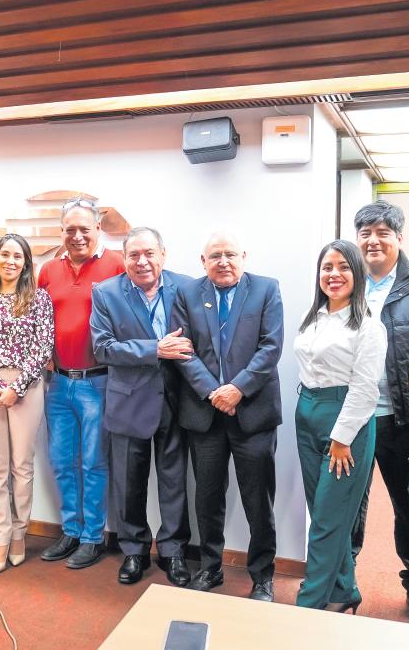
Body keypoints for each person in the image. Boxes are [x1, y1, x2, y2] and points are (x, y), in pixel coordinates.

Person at [172, 232, 283, 600]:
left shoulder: (266, 289)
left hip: (253, 413)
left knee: (258, 499)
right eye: (215, 255)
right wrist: (214, 392)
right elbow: (183, 350)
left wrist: (238, 389)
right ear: (203, 261)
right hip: (205, 414)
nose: (223, 261)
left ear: (243, 256)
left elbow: (271, 347)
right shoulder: (187, 293)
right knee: (207, 497)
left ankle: (262, 576)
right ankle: (210, 567)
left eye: (230, 254)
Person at [90, 227, 193, 587]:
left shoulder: (187, 287)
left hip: (175, 401)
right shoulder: (105, 293)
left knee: (174, 482)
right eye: (134, 255)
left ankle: (173, 552)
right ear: (124, 259)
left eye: (149, 253)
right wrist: (155, 349)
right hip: (128, 402)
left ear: (163, 254)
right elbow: (102, 348)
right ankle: (134, 551)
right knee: (128, 483)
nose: (142, 261)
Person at [350, 202, 409, 610]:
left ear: (399, 238)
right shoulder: (345, 279)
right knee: (349, 502)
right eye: (365, 233)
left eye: (382, 232)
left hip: (404, 415)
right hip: (354, 416)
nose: (373, 240)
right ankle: (341, 577)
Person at [294, 239, 387, 613]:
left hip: (345, 424)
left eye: (343, 267)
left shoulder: (368, 325)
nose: (334, 274)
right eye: (327, 267)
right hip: (307, 413)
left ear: (358, 273)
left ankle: (309, 604)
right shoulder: (314, 317)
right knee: (323, 512)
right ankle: (344, 590)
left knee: (327, 522)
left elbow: (365, 388)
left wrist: (342, 438)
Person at [37, 198, 124, 569]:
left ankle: (93, 537)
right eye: (69, 229)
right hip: (58, 384)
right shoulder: (47, 270)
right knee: (61, 461)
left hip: (98, 383)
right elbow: (38, 320)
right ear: (61, 232)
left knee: (93, 463)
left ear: (97, 229)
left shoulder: (117, 265)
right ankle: (71, 530)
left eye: (84, 229)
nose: (77, 236)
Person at [0, 234, 54, 574]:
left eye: (18, 256)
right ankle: (0, 537)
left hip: (26, 388)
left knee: (21, 465)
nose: (11, 261)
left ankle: (19, 533)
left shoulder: (39, 298)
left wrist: (16, 388)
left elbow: (43, 347)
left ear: (26, 262)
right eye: (5, 255)